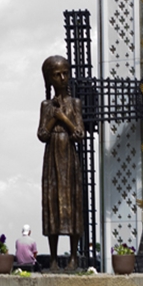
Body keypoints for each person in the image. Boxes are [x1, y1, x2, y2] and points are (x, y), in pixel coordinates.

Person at [37, 55, 85, 272]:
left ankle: (74, 257)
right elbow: (42, 134)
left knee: (73, 204)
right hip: (52, 159)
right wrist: (53, 117)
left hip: (70, 159)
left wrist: (63, 118)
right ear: (50, 79)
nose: (63, 78)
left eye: (65, 73)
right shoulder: (46, 105)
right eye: (57, 75)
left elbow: (78, 133)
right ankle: (54, 259)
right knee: (53, 203)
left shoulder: (75, 104)